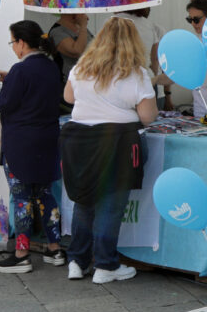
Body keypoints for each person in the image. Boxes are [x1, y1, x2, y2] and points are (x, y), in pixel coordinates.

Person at [61, 16, 158, 284]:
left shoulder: (82, 66)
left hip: (80, 141)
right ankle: (105, 265)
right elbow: (148, 117)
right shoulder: (137, 73)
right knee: (110, 206)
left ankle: (76, 261)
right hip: (118, 142)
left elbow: (68, 98)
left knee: (83, 202)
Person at [0, 21, 66, 273]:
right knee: (45, 194)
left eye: (13, 42)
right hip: (48, 139)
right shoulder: (52, 67)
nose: (13, 48)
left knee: (20, 197)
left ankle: (21, 253)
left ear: (21, 42)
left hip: (21, 143)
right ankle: (55, 249)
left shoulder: (21, 70)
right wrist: (10, 79)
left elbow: (2, 103)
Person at [184, 0, 207, 118]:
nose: (193, 23)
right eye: (189, 19)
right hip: (200, 114)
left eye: (196, 19)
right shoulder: (194, 44)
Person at [49, 13, 92, 79]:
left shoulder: (79, 26)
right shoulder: (57, 31)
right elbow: (77, 51)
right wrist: (83, 25)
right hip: (70, 80)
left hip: (88, 77)